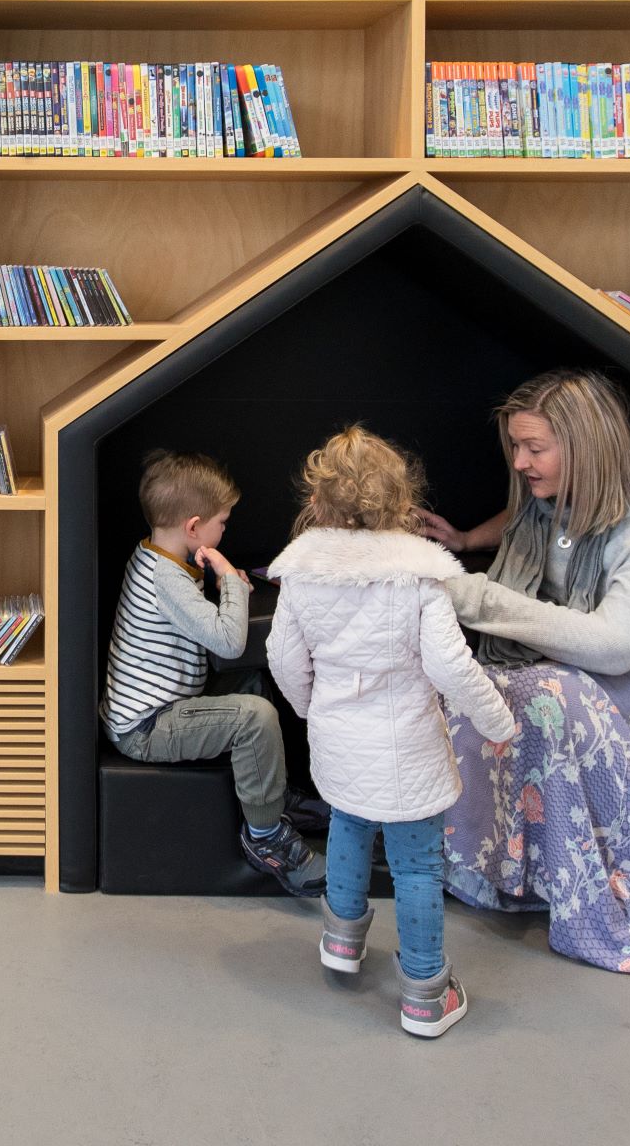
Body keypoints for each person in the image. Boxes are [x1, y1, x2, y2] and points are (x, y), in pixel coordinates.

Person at [418, 368, 630, 983]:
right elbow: (528, 523)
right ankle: (492, 868)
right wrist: (469, 537)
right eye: (515, 447)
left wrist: (469, 595)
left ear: (586, 447)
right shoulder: (551, 503)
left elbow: (614, 647)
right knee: (470, 684)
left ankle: (571, 887)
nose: (520, 462)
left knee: (543, 694)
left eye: (535, 449)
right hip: (560, 676)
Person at [266, 426, 517, 1038]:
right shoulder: (416, 577)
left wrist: (311, 708)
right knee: (417, 865)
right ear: (401, 502)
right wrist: (497, 722)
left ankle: (343, 940)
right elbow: (451, 666)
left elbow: (281, 655)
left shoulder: (302, 574)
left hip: (336, 736)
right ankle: (426, 993)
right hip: (405, 744)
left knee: (348, 823)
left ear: (317, 502)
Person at [102, 449, 324, 896]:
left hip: (165, 705)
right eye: (222, 522)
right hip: (148, 727)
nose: (226, 529)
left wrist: (219, 585)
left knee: (257, 683)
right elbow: (228, 642)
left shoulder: (155, 556)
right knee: (254, 716)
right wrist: (234, 587)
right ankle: (265, 838)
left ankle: (273, 798)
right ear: (193, 527)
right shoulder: (166, 580)